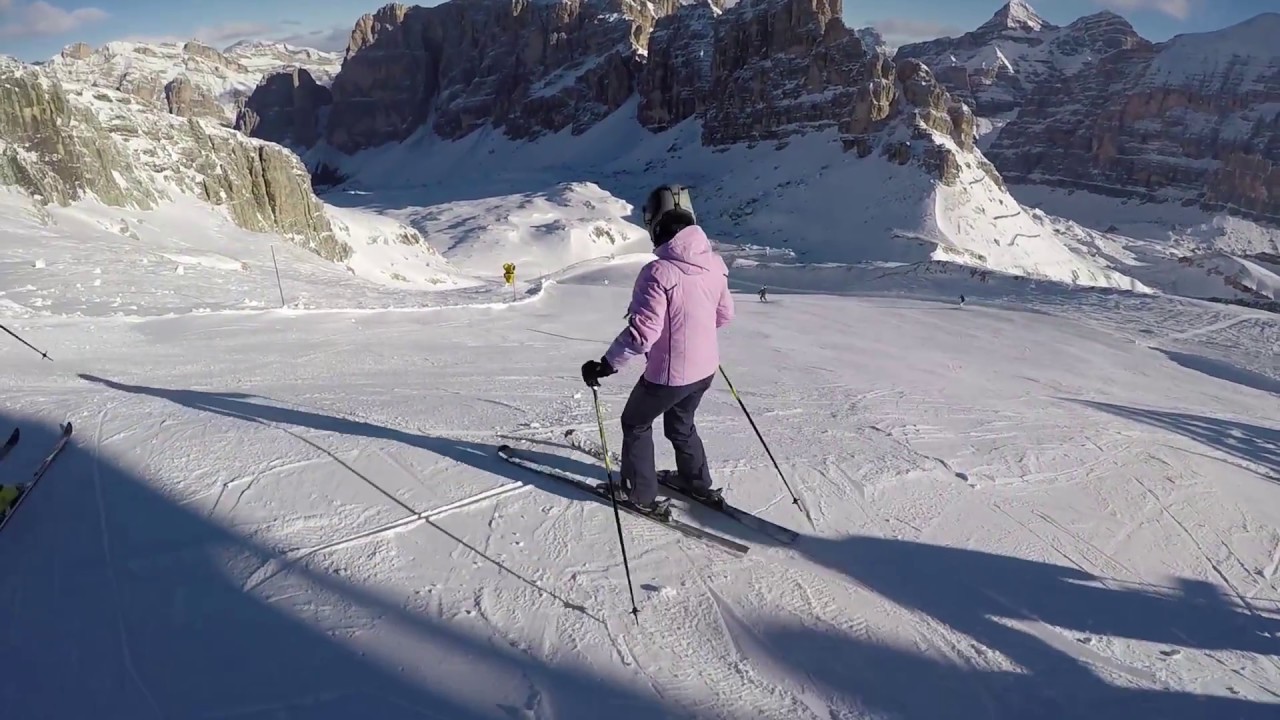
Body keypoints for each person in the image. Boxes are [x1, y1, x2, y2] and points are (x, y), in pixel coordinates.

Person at [581, 185, 734, 519]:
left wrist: (606, 365)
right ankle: (697, 482)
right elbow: (723, 316)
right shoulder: (715, 264)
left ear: (655, 226)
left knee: (635, 423)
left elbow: (641, 335)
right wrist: (695, 339)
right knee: (681, 424)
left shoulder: (658, 272)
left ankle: (639, 493)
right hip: (704, 369)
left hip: (669, 375)